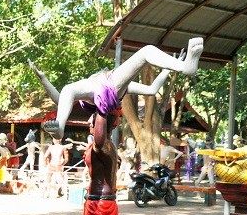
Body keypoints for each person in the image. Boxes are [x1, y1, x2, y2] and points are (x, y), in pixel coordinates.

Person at [28, 38, 204, 140]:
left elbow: (151, 90)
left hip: (107, 87)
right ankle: (185, 67)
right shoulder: (93, 92)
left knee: (67, 90)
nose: (90, 122)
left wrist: (43, 79)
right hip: (108, 87)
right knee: (145, 52)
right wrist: (43, 79)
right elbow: (151, 90)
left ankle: (60, 129)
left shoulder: (86, 92)